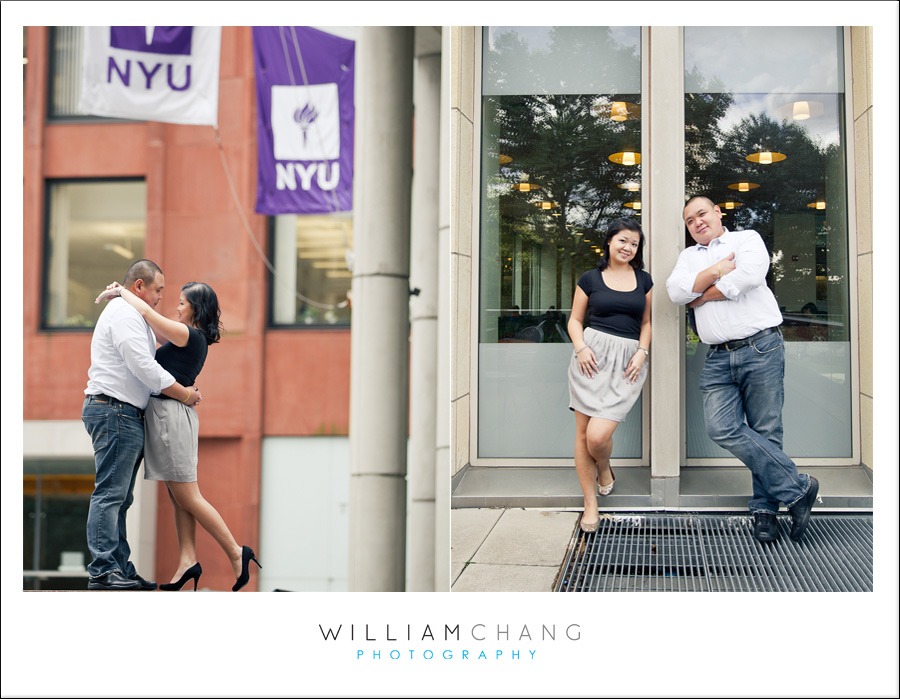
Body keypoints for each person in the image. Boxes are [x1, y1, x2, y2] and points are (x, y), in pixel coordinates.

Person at [666, 195, 818, 543]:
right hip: (717, 356)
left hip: (760, 346)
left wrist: (701, 293)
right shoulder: (687, 257)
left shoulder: (745, 239)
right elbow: (675, 292)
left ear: (718, 213)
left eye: (701, 214)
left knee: (766, 429)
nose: (697, 222)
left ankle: (765, 510)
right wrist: (719, 270)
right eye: (690, 220)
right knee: (721, 427)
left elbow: (749, 276)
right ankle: (798, 488)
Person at [96, 279, 261, 591]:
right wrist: (126, 298)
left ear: (195, 308)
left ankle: (236, 552)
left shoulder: (188, 334)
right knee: (178, 497)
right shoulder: (186, 337)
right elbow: (148, 327)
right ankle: (187, 559)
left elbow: (147, 314)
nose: (176, 306)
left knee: (187, 496)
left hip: (172, 416)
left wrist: (122, 292)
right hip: (171, 416)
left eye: (182, 302)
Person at [83, 259, 202, 591]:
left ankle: (119, 567)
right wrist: (184, 395)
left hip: (122, 412)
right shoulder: (124, 315)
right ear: (140, 287)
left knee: (121, 498)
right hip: (113, 410)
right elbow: (145, 369)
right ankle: (104, 571)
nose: (161, 297)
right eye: (158, 290)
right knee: (110, 495)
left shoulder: (133, 315)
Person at [567, 219, 652, 533]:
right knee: (582, 433)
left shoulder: (644, 280)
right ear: (609, 242)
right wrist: (581, 348)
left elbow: (646, 322)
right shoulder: (590, 278)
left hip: (628, 360)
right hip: (591, 357)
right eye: (623, 240)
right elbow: (575, 320)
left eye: (634, 244)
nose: (628, 247)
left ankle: (604, 466)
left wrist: (642, 352)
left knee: (598, 436)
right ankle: (590, 502)